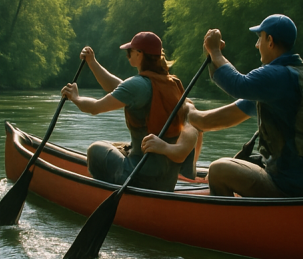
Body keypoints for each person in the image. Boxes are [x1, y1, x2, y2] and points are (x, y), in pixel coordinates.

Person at [187, 14, 303, 197]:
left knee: (218, 170)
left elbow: (238, 85)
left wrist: (215, 51)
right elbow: (213, 120)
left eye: (259, 38)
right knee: (246, 162)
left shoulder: (275, 76)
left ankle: (230, 223)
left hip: (289, 186)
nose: (256, 45)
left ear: (270, 41)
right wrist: (190, 113)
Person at [61, 32, 200, 191]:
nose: (127, 55)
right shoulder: (172, 83)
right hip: (167, 181)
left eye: (130, 51)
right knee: (120, 146)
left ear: (139, 54)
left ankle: (106, 192)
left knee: (95, 149)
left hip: (139, 177)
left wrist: (75, 98)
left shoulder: (138, 85)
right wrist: (92, 63)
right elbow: (119, 88)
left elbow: (94, 108)